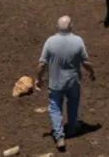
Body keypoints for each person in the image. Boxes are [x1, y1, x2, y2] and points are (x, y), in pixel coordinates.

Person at [36, 15, 96, 152]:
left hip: (55, 83)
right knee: (73, 103)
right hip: (73, 81)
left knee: (55, 107)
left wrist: (39, 79)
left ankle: (60, 137)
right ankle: (73, 126)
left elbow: (41, 64)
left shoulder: (50, 41)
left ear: (57, 27)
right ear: (71, 27)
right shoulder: (78, 41)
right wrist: (92, 73)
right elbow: (85, 62)